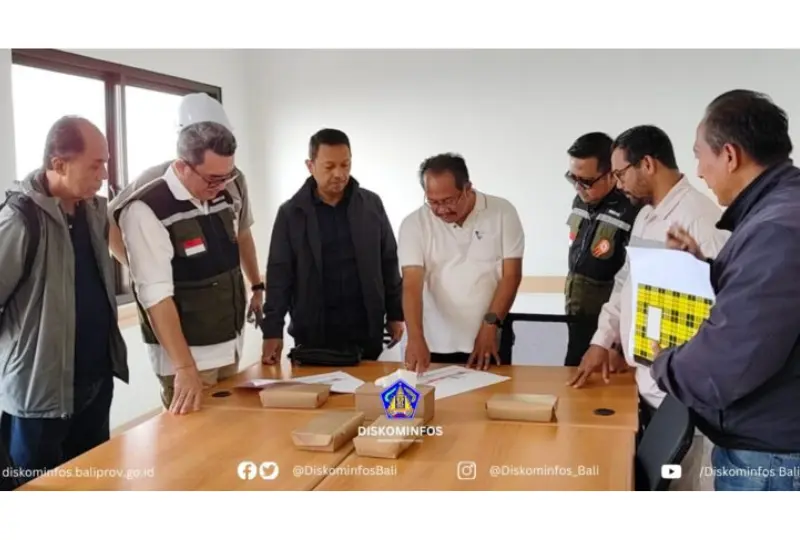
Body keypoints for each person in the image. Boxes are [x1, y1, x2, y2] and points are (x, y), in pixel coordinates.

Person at [651, 90, 800, 491]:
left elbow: (726, 363)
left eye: (700, 155)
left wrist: (663, 362)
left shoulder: (776, 229)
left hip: (773, 458)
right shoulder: (781, 211)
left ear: (730, 155)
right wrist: (707, 269)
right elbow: (769, 303)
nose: (700, 171)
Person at [567, 125, 729, 490]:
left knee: (684, 491)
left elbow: (723, 307)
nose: (618, 183)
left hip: (683, 400)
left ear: (648, 165)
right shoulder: (644, 216)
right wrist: (602, 340)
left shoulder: (699, 218)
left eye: (621, 173)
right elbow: (624, 284)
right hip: (647, 385)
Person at [0, 116, 129, 483]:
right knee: (37, 491)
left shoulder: (94, 212)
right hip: (40, 394)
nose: (104, 174)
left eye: (106, 163)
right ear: (59, 164)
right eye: (95, 165)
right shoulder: (20, 219)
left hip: (95, 383)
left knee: (91, 484)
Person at [112, 105, 249, 415]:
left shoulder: (223, 194)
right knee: (193, 441)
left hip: (228, 346)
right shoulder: (147, 209)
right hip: (188, 361)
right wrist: (184, 366)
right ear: (182, 166)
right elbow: (155, 296)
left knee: (234, 433)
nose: (221, 186)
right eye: (212, 179)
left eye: (227, 176)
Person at [108, 93, 264, 331]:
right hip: (178, 311)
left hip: (224, 312)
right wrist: (146, 270)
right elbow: (110, 223)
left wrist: (256, 286)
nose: (221, 184)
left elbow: (242, 234)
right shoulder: (154, 181)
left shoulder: (235, 180)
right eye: (212, 179)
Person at [260, 128, 403, 364]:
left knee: (370, 387)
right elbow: (279, 276)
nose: (339, 174)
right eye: (329, 166)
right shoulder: (291, 214)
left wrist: (396, 313)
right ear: (310, 166)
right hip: (314, 334)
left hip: (366, 329)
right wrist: (272, 331)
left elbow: (389, 261)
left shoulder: (370, 205)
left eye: (345, 165)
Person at [399, 153, 524, 373]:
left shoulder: (502, 212)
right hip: (434, 341)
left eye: (448, 200)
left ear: (468, 188)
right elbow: (411, 284)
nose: (441, 210)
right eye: (433, 202)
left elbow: (511, 276)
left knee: (493, 393)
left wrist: (490, 326)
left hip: (490, 336)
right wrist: (415, 337)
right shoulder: (414, 224)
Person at [563, 132, 641, 366]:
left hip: (608, 321)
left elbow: (633, 280)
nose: (578, 188)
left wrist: (616, 344)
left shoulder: (632, 209)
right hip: (576, 310)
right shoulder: (580, 201)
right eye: (572, 178)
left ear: (610, 175)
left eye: (586, 181)